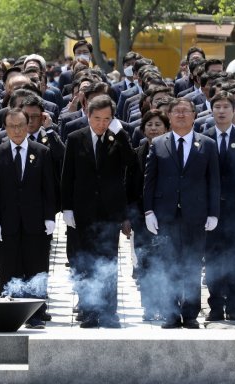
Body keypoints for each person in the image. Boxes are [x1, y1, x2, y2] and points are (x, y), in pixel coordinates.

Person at [143, 98, 220, 329]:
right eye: (176, 111)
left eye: (186, 111)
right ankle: (171, 312)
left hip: (195, 215)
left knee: (192, 265)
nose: (181, 115)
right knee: (168, 265)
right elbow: (149, 181)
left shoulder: (207, 144)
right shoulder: (158, 143)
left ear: (194, 116)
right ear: (170, 115)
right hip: (165, 216)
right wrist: (148, 211)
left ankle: (190, 313)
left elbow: (213, 181)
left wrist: (213, 213)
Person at [61, 95, 135, 328]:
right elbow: (67, 176)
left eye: (107, 119)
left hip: (109, 213)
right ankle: (89, 310)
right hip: (82, 211)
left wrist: (120, 134)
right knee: (85, 262)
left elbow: (132, 165)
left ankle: (109, 312)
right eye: (97, 118)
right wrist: (67, 208)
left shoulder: (117, 139)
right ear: (88, 116)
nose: (101, 124)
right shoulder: (75, 138)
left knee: (108, 263)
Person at [0, 108, 57, 329]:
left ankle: (36, 314)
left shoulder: (42, 151)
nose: (16, 130)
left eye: (20, 126)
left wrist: (50, 216)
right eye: (11, 126)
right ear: (5, 128)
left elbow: (49, 187)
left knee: (36, 267)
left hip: (35, 221)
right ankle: (9, 313)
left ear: (28, 126)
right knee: (9, 268)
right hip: (7, 223)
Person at [202, 92, 235, 321]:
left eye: (226, 107)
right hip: (210, 210)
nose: (222, 111)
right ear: (212, 111)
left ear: (234, 111)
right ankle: (215, 305)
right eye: (217, 107)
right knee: (213, 259)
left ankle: (234, 305)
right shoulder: (203, 138)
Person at [125, 109, 169, 320]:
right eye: (149, 125)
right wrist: (127, 217)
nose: (153, 128)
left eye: (158, 124)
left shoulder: (171, 151)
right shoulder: (135, 154)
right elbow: (128, 188)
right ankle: (149, 306)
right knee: (145, 262)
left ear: (167, 128)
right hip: (141, 218)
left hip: (167, 217)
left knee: (165, 262)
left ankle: (165, 303)